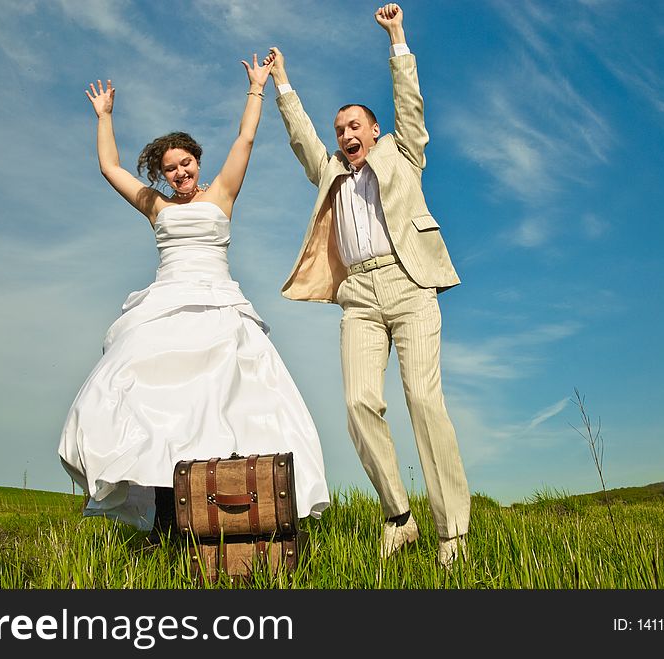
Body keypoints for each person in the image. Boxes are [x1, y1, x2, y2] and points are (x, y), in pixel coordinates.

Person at [58, 55, 330, 545]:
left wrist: (256, 88)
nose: (180, 172)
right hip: (164, 307)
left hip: (219, 306)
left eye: (185, 163)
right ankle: (165, 515)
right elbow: (109, 167)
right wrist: (104, 116)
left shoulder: (222, 194)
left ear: (197, 162)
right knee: (149, 401)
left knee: (229, 404)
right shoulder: (156, 206)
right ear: (162, 176)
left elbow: (245, 139)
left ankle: (235, 513)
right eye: (170, 169)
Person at [263, 3, 469, 567]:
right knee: (358, 401)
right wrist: (282, 83)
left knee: (424, 399)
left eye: (355, 126)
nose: (346, 135)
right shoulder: (330, 170)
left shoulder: (403, 152)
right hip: (358, 295)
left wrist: (397, 37)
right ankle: (398, 516)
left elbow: (411, 104)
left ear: (375, 132)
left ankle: (451, 531)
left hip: (408, 285)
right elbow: (303, 137)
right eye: (341, 130)